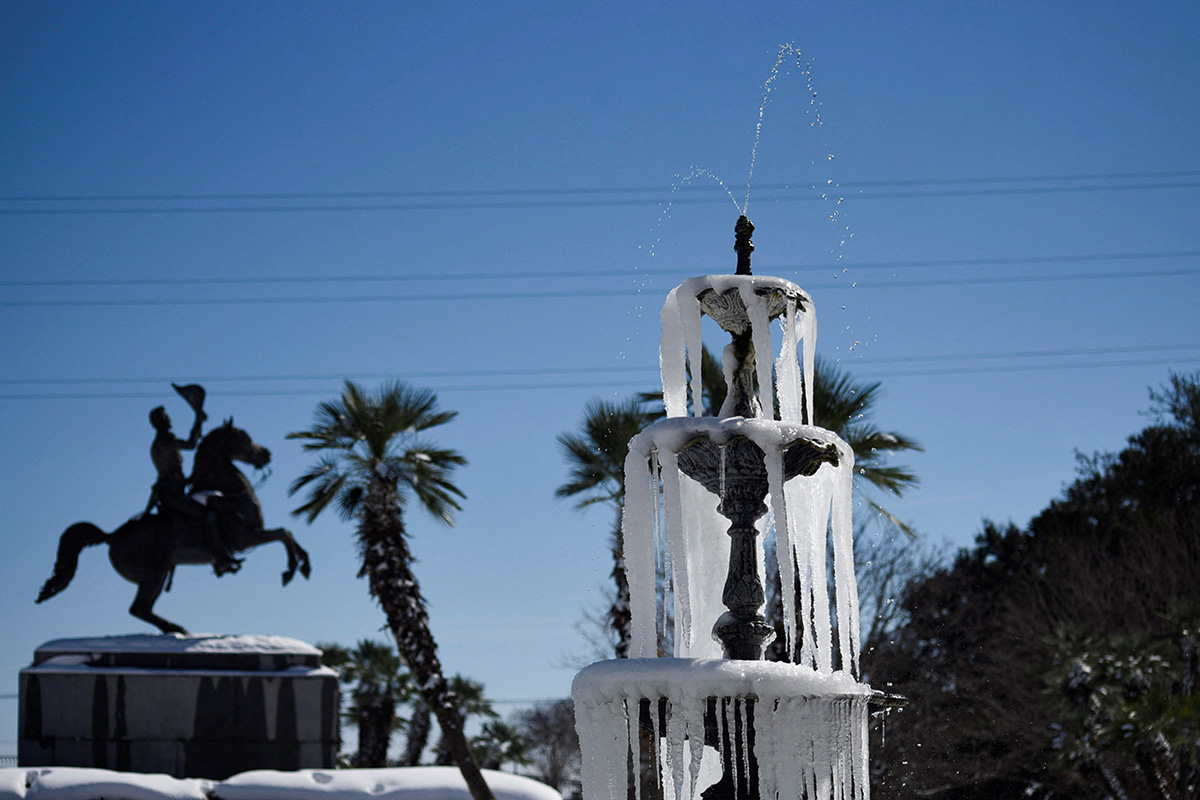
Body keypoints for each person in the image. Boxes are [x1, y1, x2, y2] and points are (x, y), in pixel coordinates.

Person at [146, 403, 242, 576]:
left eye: (167, 417)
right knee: (208, 515)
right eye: (165, 417)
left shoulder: (160, 441)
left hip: (174, 490)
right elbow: (191, 444)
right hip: (172, 493)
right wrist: (198, 421)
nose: (169, 420)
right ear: (158, 422)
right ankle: (220, 560)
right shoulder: (165, 440)